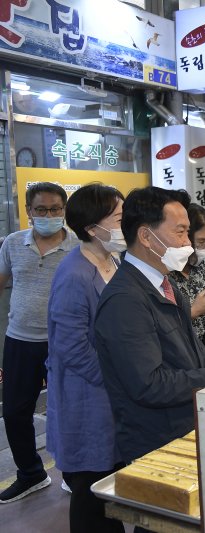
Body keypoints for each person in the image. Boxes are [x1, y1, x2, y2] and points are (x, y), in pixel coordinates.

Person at [94, 186, 205, 463]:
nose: (187, 243)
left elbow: (190, 345)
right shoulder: (125, 300)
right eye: (179, 232)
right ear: (146, 236)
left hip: (184, 428)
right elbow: (147, 384)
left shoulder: (164, 283)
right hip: (155, 443)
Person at [46, 184, 125, 532]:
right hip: (89, 396)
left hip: (112, 391)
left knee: (112, 485)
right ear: (93, 228)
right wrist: (116, 379)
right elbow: (72, 347)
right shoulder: (74, 273)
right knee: (91, 491)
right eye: (120, 219)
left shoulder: (112, 259)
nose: (128, 225)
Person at [0, 182, 78, 504]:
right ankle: (31, 473)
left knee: (71, 409)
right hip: (19, 338)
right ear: (29, 212)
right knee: (16, 411)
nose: (49, 215)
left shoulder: (79, 245)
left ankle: (76, 472)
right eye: (42, 210)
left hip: (65, 341)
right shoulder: (13, 243)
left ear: (64, 210)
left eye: (56, 209)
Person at [170, 204, 205, 341]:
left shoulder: (203, 267)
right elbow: (164, 324)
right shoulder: (167, 271)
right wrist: (194, 311)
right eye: (201, 241)